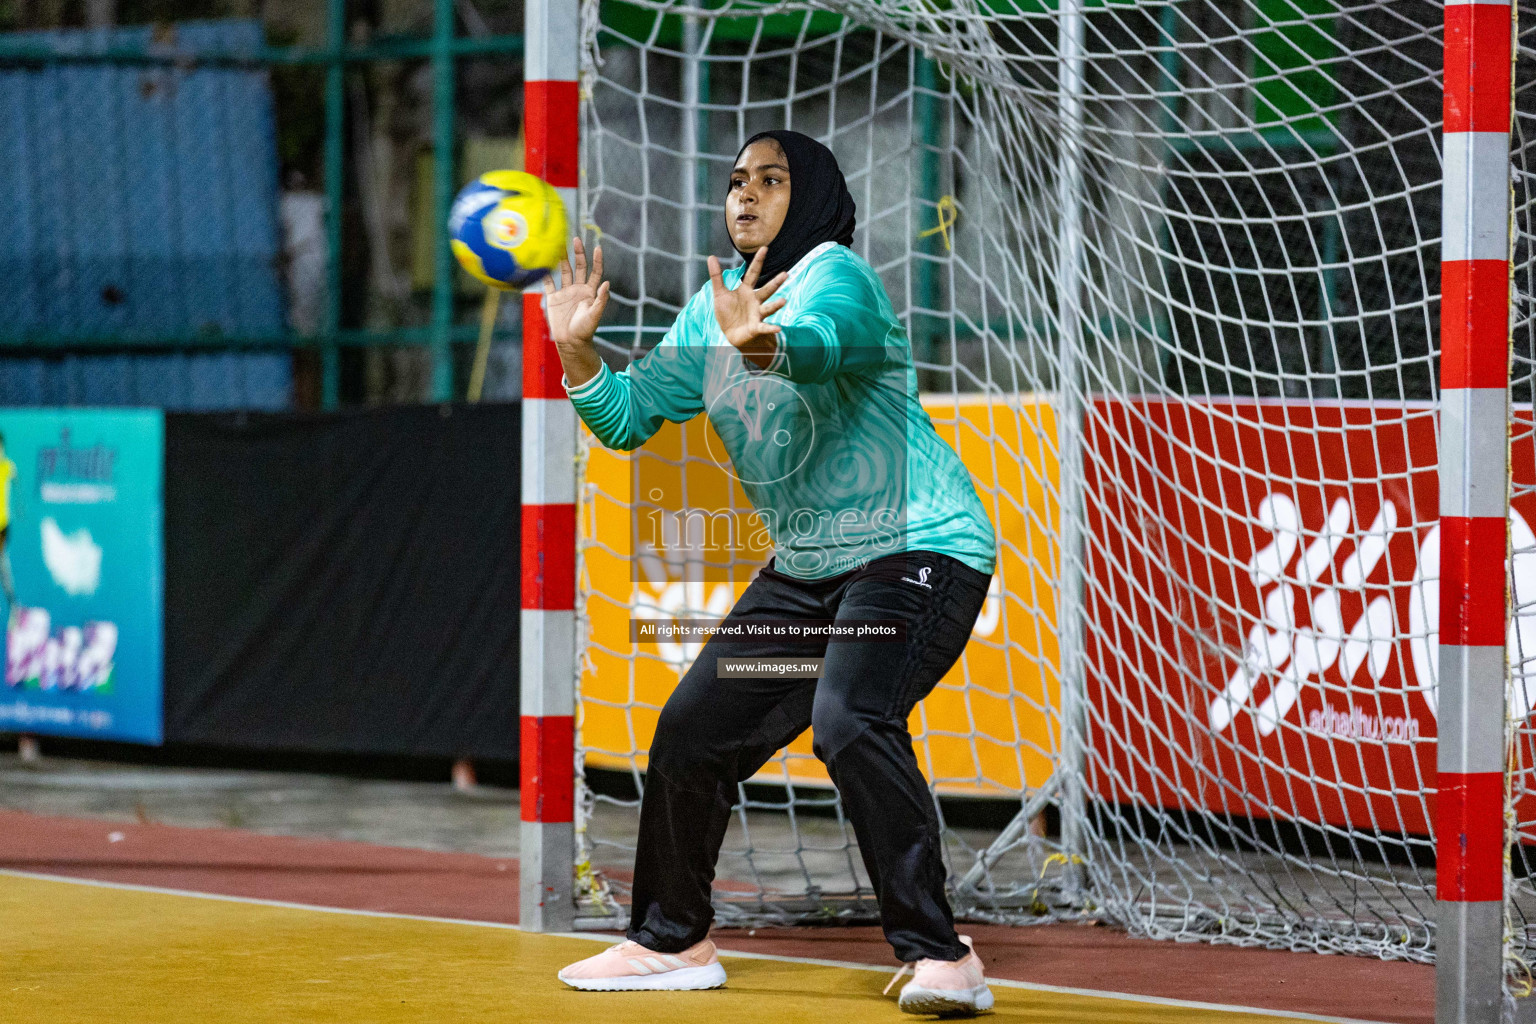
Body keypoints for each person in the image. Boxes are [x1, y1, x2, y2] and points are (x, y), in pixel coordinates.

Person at [549, 130, 997, 1017]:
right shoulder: (711, 307)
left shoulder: (837, 277)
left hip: (918, 550)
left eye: (772, 180)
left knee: (850, 718)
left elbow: (825, 346)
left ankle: (943, 958)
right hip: (808, 572)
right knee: (690, 732)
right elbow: (632, 417)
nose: (745, 196)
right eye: (736, 182)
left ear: (815, 194)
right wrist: (575, 354)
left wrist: (762, 347)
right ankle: (672, 939)